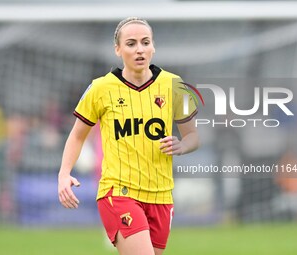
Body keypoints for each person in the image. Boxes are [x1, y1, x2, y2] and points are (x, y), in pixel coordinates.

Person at [58, 17, 199, 255]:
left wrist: (182, 146)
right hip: (118, 192)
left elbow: (193, 136)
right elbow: (77, 135)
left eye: (145, 42)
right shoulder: (101, 88)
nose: (139, 49)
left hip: (161, 194)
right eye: (131, 43)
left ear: (153, 47)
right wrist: (64, 174)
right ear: (118, 49)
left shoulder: (175, 86)